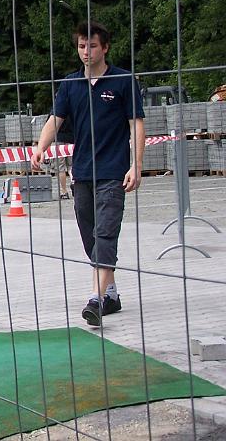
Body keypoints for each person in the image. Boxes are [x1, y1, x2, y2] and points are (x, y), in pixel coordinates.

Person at [32, 22, 145, 327]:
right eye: (82, 46)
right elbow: (55, 119)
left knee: (106, 234)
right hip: (82, 173)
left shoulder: (122, 81)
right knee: (90, 237)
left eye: (92, 46)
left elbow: (136, 124)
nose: (86, 51)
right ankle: (110, 293)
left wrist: (136, 165)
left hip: (114, 172)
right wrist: (40, 147)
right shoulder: (70, 84)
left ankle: (95, 299)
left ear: (105, 47)